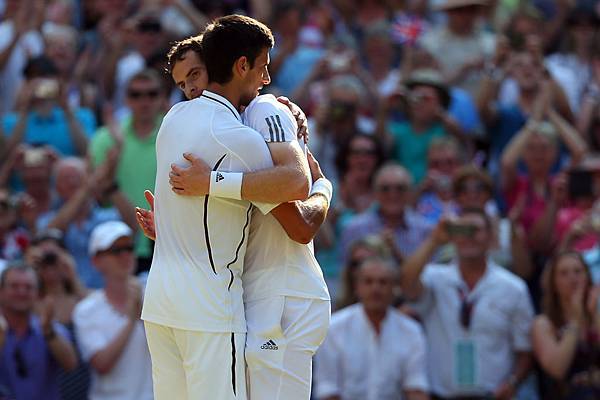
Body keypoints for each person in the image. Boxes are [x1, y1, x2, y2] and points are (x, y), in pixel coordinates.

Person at [139, 24, 332, 399]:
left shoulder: (172, 120)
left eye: (194, 75)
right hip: (211, 309)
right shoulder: (242, 138)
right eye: (263, 66)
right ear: (241, 65)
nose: (268, 77)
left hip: (160, 306)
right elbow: (297, 185)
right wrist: (324, 184)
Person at [401, 208, 535, 400]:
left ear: (490, 236)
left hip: (492, 395)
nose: (469, 237)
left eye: (476, 230)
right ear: (453, 236)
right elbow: (405, 281)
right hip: (441, 395)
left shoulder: (513, 288)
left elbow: (524, 349)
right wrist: (434, 241)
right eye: (462, 230)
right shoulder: (434, 277)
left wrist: (513, 382)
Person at [315, 257, 429, 400]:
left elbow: (416, 386)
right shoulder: (334, 328)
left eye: (383, 282)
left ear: (395, 288)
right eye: (368, 282)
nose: (376, 289)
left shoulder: (411, 331)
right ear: (357, 287)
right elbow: (328, 389)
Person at [73, 221, 153, 400]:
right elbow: (102, 364)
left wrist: (142, 313)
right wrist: (132, 320)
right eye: (116, 250)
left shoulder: (155, 291)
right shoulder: (86, 310)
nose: (125, 255)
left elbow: (174, 349)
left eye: (129, 248)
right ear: (96, 261)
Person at [0, 262, 78, 400]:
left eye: (28, 287)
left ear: (37, 293)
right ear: (1, 291)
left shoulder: (50, 327)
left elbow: (70, 364)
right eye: (14, 286)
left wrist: (48, 331)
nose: (22, 292)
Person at [531, 251, 600, 399]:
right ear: (554, 283)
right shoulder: (543, 323)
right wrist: (575, 321)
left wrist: (595, 316)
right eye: (564, 273)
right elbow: (557, 369)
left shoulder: (596, 316)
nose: (572, 278)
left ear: (588, 277)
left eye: (578, 271)